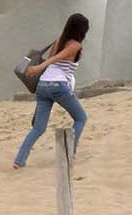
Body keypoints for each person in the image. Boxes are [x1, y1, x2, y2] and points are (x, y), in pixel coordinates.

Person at [14, 13, 90, 169]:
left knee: (38, 128)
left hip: (43, 86)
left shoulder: (58, 41)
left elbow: (54, 59)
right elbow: (54, 60)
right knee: (81, 118)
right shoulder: (75, 45)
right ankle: (69, 154)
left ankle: (19, 160)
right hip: (58, 85)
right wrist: (38, 67)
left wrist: (41, 69)